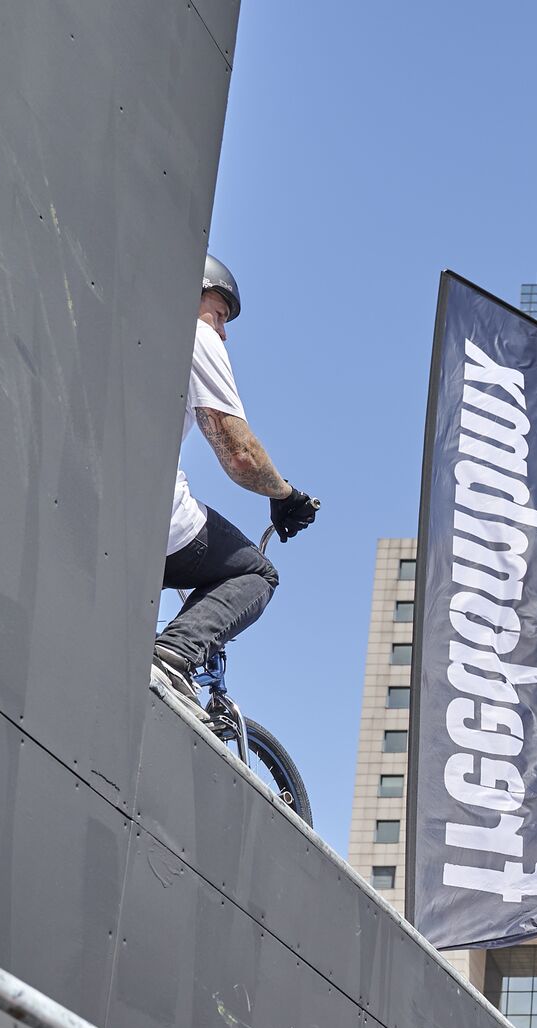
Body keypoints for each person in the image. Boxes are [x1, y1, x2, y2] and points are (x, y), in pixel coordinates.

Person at [153, 253, 319, 697]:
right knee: (257, 573)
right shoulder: (195, 335)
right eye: (220, 314)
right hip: (153, 516)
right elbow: (239, 451)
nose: (222, 332)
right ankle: (174, 655)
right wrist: (285, 495)